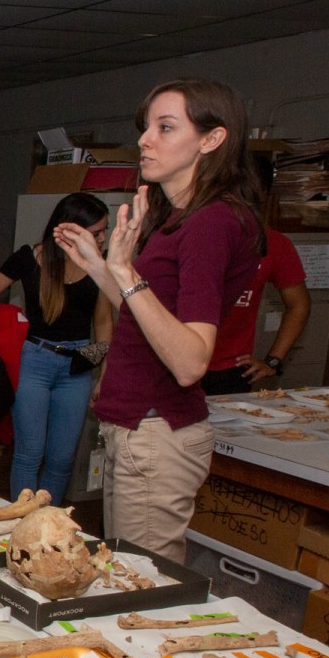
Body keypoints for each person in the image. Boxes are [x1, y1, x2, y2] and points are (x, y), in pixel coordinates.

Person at [55, 78, 263, 563]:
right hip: (135, 428)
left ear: (212, 140)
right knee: (123, 572)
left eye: (166, 128)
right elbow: (146, 315)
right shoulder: (179, 218)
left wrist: (125, 272)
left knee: (144, 586)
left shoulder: (211, 222)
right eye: (146, 127)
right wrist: (100, 267)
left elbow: (190, 360)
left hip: (158, 429)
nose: (145, 140)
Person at [0, 193, 113, 503]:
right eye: (97, 231)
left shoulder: (101, 267)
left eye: (105, 231)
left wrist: (101, 373)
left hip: (78, 364)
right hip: (34, 358)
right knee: (29, 454)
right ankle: (20, 524)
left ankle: (49, 529)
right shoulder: (29, 257)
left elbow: (103, 325)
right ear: (73, 229)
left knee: (61, 460)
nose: (103, 238)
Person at [202, 224, 309, 395]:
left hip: (232, 370)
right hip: (173, 362)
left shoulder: (273, 242)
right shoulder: (187, 232)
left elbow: (299, 305)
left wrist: (273, 361)